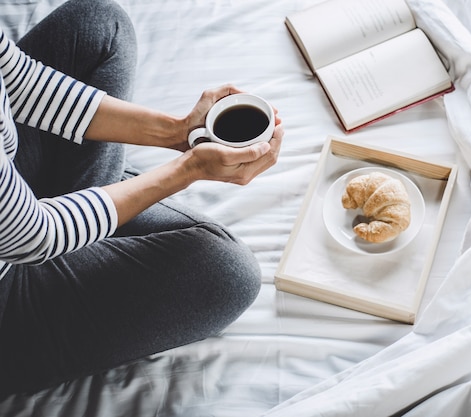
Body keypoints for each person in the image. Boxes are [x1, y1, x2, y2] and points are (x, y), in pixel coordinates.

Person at [0, 0, 283, 397]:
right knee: (227, 273)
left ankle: (88, 216)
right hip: (13, 277)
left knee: (99, 25)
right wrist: (187, 170)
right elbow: (33, 236)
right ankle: (89, 225)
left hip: (13, 206)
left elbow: (19, 83)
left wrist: (179, 131)